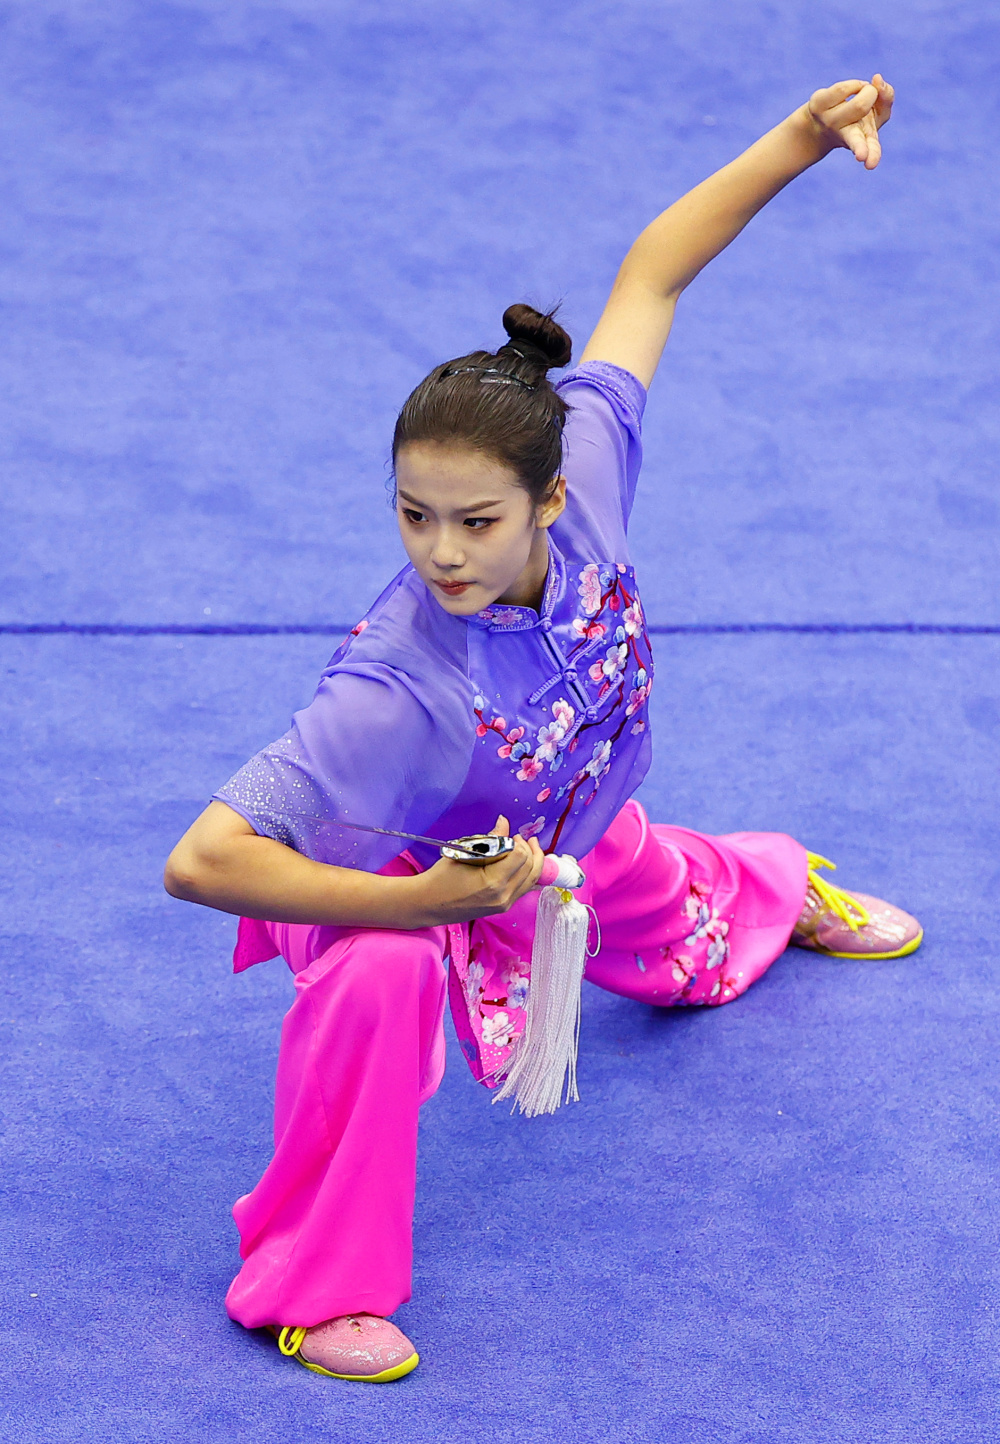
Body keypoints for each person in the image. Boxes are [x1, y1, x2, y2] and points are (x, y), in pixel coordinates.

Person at [165, 74, 920, 1383]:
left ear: (549, 498)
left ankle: (776, 884)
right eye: (413, 516)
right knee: (382, 985)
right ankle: (312, 1287)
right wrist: (418, 905)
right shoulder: (395, 685)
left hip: (568, 833)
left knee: (685, 947)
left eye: (475, 521)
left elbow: (655, 273)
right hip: (393, 884)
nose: (442, 552)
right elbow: (202, 861)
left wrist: (803, 137)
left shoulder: (593, 462)